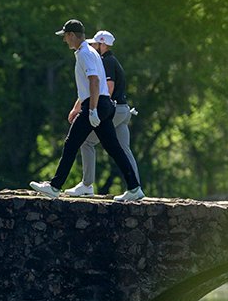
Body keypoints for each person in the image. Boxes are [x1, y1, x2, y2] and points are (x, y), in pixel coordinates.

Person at [30, 19, 145, 201]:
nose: (65, 41)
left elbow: (94, 81)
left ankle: (54, 186)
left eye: (65, 37)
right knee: (113, 148)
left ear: (72, 35)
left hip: (96, 104)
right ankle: (134, 188)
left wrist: (91, 110)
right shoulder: (91, 51)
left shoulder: (84, 53)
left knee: (71, 144)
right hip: (105, 104)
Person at [65, 28, 138, 196]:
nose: (93, 46)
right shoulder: (112, 60)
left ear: (103, 44)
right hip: (124, 109)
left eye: (96, 43)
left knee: (87, 142)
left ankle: (87, 184)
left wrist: (96, 109)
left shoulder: (106, 61)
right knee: (123, 149)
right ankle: (136, 187)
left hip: (114, 110)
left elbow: (106, 88)